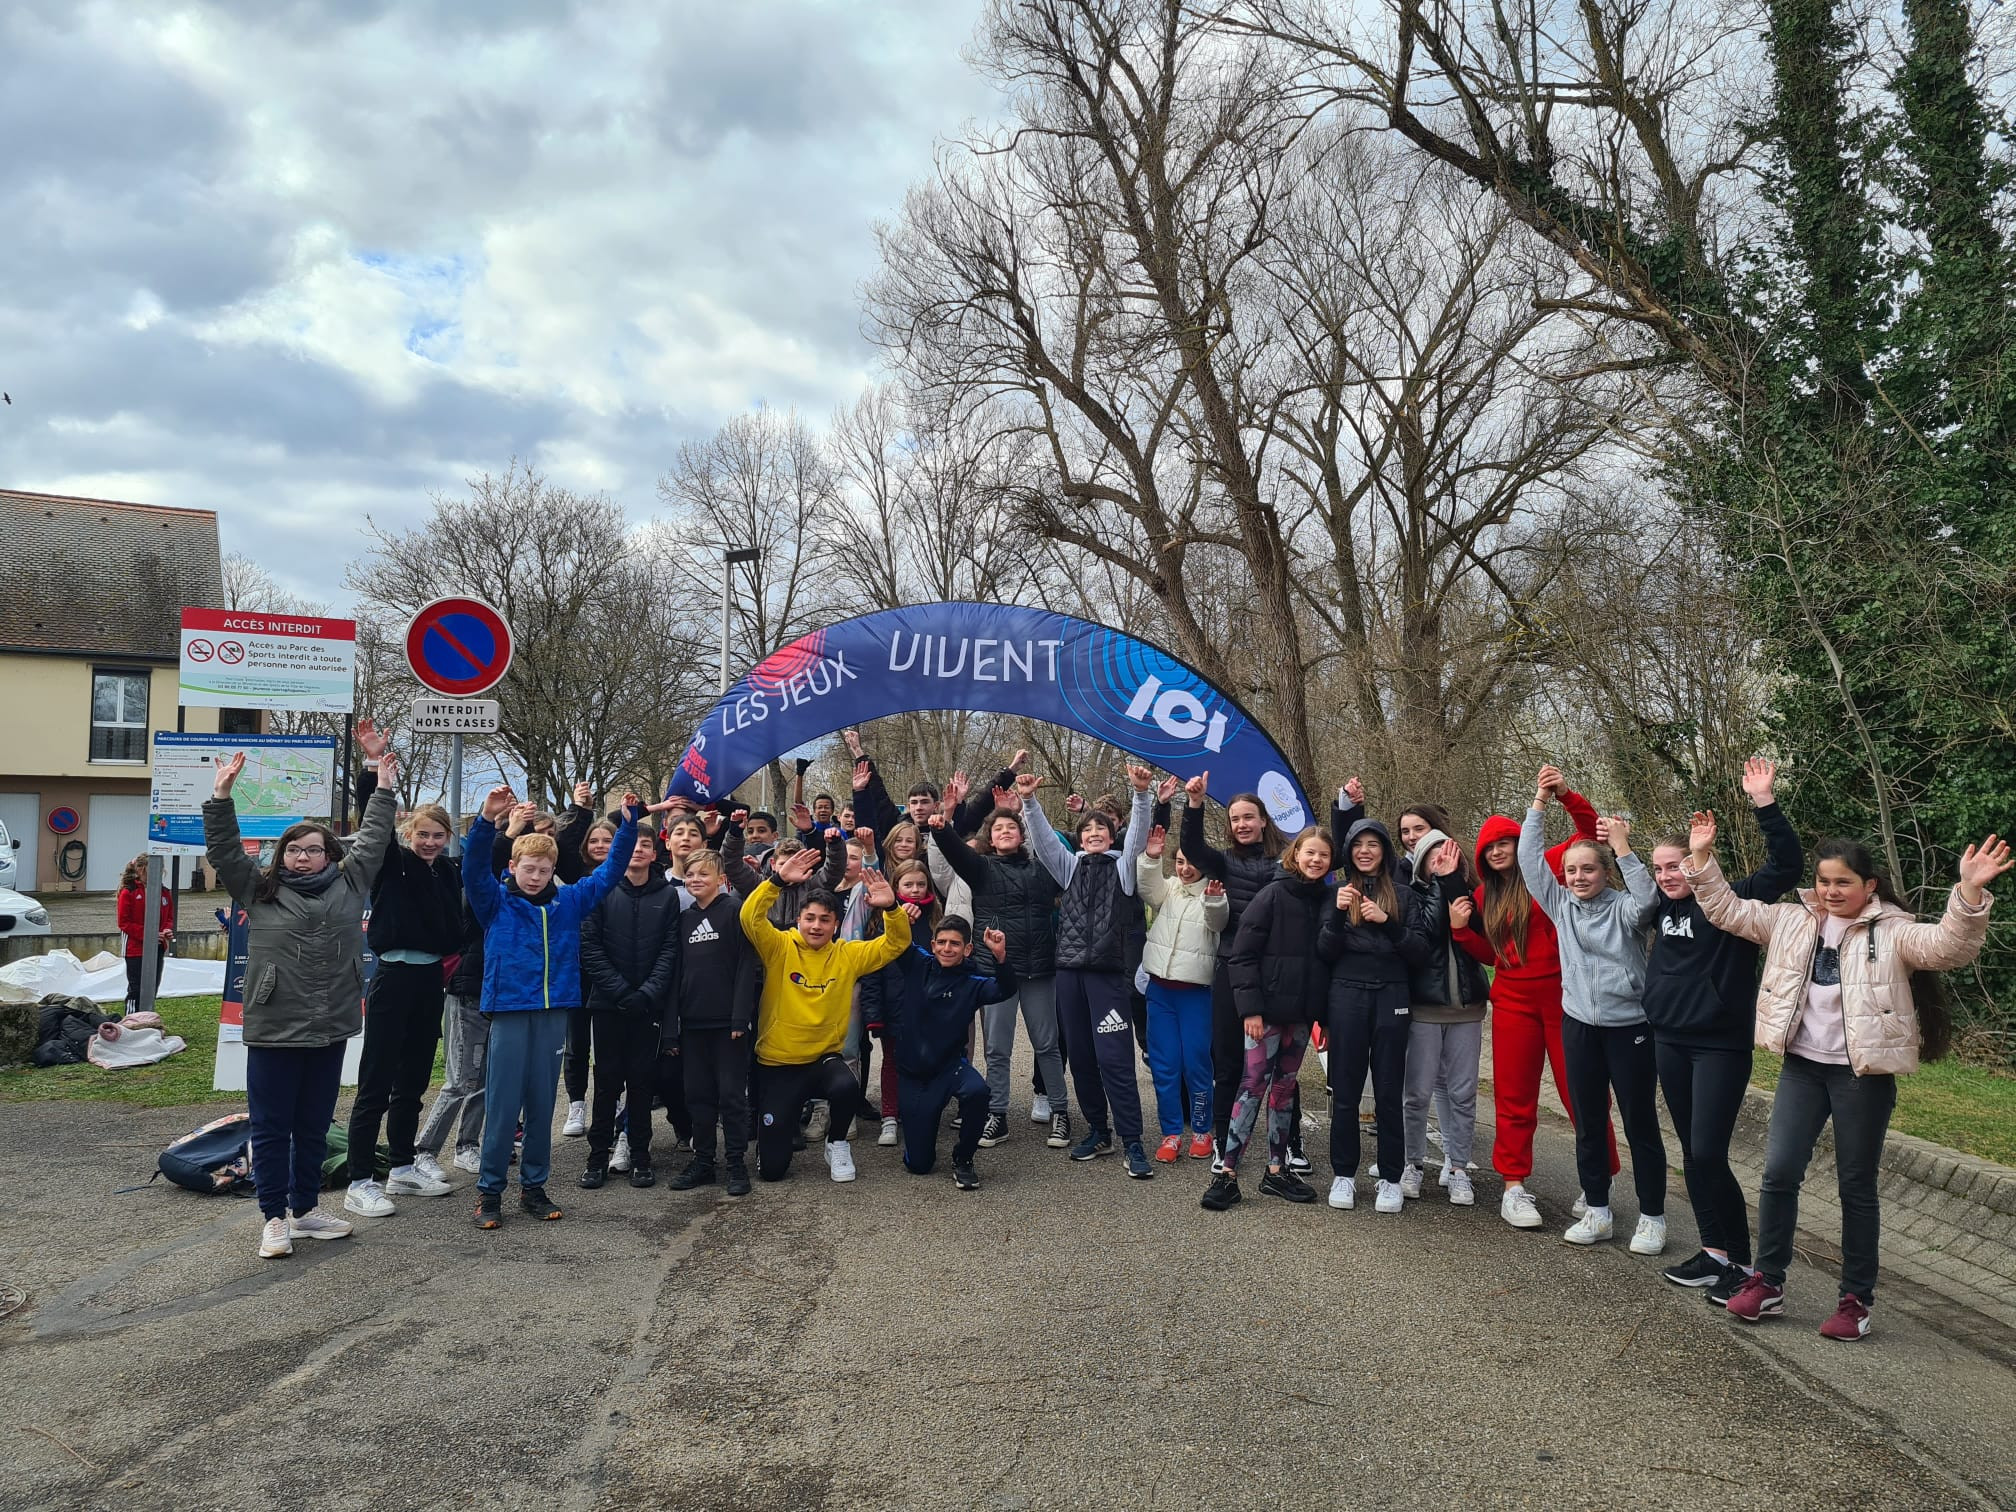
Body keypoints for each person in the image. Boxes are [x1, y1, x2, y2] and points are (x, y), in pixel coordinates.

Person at [1689, 824, 2007, 1340]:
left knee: (1855, 1187)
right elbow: (1726, 909)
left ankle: (1855, 1298)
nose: (1832, 891)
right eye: (1824, 881)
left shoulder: (1893, 931)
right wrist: (1701, 859)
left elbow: (1949, 946)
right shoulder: (1792, 921)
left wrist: (1968, 892)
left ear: (1870, 886)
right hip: (1802, 1068)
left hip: (1862, 1076)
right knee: (1778, 1173)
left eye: (1843, 882)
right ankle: (1767, 1281)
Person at [202, 722, 397, 1259]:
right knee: (271, 1127)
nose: (303, 857)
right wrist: (222, 797)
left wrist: (383, 782)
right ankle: (273, 1218)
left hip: (330, 1023)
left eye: (313, 850)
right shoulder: (258, 891)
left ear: (331, 855)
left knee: (313, 1124)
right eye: (294, 849)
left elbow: (377, 836)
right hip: (274, 1026)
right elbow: (223, 851)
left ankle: (307, 1210)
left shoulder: (351, 884)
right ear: (282, 855)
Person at [1643, 760, 1802, 1301]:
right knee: (1690, 1150)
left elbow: (1787, 866)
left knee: (1709, 1151)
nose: (1668, 875)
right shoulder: (1660, 908)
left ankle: (1741, 1262)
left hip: (1718, 1046)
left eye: (1677, 864)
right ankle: (1712, 1252)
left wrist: (1765, 802)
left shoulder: (1734, 902)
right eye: (1660, 868)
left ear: (1697, 863)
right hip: (1669, 1040)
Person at [463, 785, 639, 1229]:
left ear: (553, 869)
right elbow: (471, 869)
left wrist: (628, 825)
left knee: (543, 1104)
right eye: (528, 869)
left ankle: (534, 1187)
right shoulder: (496, 903)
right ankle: (489, 1192)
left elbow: (611, 871)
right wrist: (487, 821)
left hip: (554, 1010)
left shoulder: (570, 902)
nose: (536, 876)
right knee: (503, 1106)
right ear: (513, 868)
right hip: (509, 1011)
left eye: (544, 869)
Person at [1455, 767, 1619, 1228]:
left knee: (1583, 1096)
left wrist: (1563, 794)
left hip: (1567, 999)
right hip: (1512, 1003)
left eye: (1505, 842)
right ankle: (1513, 1185)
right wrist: (1461, 933)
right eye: (1490, 848)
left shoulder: (1549, 868)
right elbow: (1495, 955)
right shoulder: (1485, 894)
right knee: (1514, 1095)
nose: (1498, 851)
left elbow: (1590, 836)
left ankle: (1597, 1185)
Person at [1518, 775, 1665, 1252]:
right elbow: (1528, 860)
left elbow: (1649, 899)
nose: (1579, 877)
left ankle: (1653, 1217)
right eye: (1572, 871)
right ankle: (1598, 1210)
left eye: (1589, 870)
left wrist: (1622, 848)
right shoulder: (1561, 906)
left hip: (1630, 1030)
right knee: (1588, 1121)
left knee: (1640, 1124)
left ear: (1605, 873)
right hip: (1579, 1027)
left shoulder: (1624, 908)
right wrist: (1540, 802)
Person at [740, 850, 911, 1183]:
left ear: (835, 925)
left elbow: (896, 944)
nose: (816, 926)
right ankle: (773, 1139)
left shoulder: (848, 954)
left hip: (822, 1059)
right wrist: (776, 881)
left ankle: (837, 1144)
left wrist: (891, 908)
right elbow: (750, 918)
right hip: (778, 1064)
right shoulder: (778, 946)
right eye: (810, 918)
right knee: (773, 1171)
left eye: (824, 920)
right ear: (799, 920)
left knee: (846, 1084)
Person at [1025, 766, 1155, 1176]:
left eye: (1101, 829)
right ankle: (1099, 1131)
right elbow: (1046, 843)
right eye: (1087, 830)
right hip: (1069, 974)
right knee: (1080, 1057)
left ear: (1111, 836)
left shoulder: (1124, 868)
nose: (1094, 833)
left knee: (1114, 1059)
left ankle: (1132, 1141)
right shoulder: (1070, 867)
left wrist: (1140, 794)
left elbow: (1137, 836)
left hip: (1107, 976)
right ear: (1079, 839)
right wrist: (1029, 801)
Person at [344, 793, 466, 1218]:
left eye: (437, 835)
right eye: (422, 835)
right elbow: (373, 829)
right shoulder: (392, 864)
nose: (430, 842)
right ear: (408, 834)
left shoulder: (449, 872)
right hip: (393, 978)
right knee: (375, 1083)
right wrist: (376, 778)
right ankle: (360, 1181)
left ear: (448, 838)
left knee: (412, 1083)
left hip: (430, 980)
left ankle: (402, 1166)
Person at [928, 789, 1070, 1150]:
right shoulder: (981, 869)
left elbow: (1056, 851)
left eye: (1011, 827)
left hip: (1039, 969)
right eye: (998, 828)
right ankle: (997, 1114)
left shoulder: (1043, 870)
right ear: (988, 838)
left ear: (1022, 835)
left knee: (1047, 1044)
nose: (1005, 831)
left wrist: (1028, 809)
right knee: (997, 1048)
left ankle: (1060, 1111)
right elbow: (955, 851)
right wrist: (942, 825)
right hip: (996, 969)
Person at [1205, 826, 1334, 1210]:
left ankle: (1277, 1171)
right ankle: (1227, 1173)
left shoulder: (1328, 900)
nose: (1316, 860)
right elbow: (1241, 956)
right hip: (1265, 1016)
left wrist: (1323, 1017)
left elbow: (1327, 964)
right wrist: (1252, 1010)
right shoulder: (1272, 895)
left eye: (1323, 855)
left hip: (1300, 1018)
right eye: (1309, 853)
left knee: (1284, 1091)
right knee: (1252, 1087)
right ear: (1295, 855)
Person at [1320, 818, 1434, 1214]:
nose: (1365, 851)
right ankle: (1344, 1175)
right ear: (1349, 851)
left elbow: (1420, 952)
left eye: (1374, 844)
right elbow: (1324, 952)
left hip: (1392, 995)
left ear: (1384, 851)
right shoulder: (1335, 893)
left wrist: (1388, 923)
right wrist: (1337, 916)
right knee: (1346, 1091)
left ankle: (1390, 1177)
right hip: (1346, 996)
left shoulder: (1403, 895)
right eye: (1358, 844)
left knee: (1388, 1091)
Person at [1177, 775, 1290, 1172]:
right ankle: (1225, 1139)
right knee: (1226, 1062)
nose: (1242, 824)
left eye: (1249, 817)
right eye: (1235, 819)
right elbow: (1190, 847)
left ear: (1263, 821)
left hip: (1276, 972)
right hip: (1230, 968)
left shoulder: (1287, 859)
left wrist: (1348, 809)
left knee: (1280, 1067)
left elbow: (1330, 858)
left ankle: (1289, 1144)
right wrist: (1194, 805)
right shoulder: (1222, 861)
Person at [872, 918, 1018, 1189]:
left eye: (955, 943)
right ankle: (922, 1138)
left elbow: (1005, 990)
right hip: (913, 1074)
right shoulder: (917, 964)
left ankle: (963, 1159)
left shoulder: (972, 982)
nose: (947, 948)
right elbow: (897, 940)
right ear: (933, 945)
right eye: (942, 942)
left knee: (978, 1091)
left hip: (949, 1068)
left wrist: (1001, 958)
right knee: (919, 1165)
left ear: (967, 949)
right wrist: (891, 908)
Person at [579, 822, 682, 1191]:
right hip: (608, 1005)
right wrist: (621, 992)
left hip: (646, 1007)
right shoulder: (599, 889)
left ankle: (641, 1157)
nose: (638, 850)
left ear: (656, 853)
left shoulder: (667, 895)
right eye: (632, 844)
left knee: (641, 1084)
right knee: (606, 1083)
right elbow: (589, 947)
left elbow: (671, 949)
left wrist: (646, 994)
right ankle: (596, 1159)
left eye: (646, 845)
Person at [1400, 826, 1488, 1206]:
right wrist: (1443, 883)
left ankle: (1458, 1168)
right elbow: (1431, 933)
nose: (1442, 861)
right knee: (1417, 1093)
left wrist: (1455, 884)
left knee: (1464, 1093)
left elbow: (1487, 937)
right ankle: (1413, 1164)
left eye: (1448, 854)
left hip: (1468, 1010)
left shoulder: (1475, 896)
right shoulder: (1411, 896)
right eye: (1433, 856)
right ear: (1421, 863)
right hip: (1425, 1009)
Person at [1137, 822, 1228, 1161]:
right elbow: (1148, 887)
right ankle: (1171, 1133)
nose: (1186, 869)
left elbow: (1218, 923)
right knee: (1165, 1065)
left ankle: (1202, 1130)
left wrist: (1216, 902)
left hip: (1195, 995)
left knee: (1196, 1063)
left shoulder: (1215, 892)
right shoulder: (1170, 889)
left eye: (1192, 863)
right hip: (1160, 991)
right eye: (1179, 862)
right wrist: (1150, 857)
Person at [669, 850, 759, 1195]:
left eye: (703, 875)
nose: (695, 880)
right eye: (690, 875)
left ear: (721, 880)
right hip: (692, 1022)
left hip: (728, 1024)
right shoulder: (684, 919)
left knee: (732, 1096)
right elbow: (677, 974)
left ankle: (736, 1163)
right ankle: (703, 1161)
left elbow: (745, 967)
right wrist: (672, 1025)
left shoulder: (735, 912)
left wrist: (740, 1016)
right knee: (698, 1095)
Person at [115, 854, 173, 1014]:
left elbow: (169, 917)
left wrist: (166, 930)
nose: (160, 872)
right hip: (135, 949)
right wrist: (149, 934)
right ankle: (131, 1021)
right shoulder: (129, 892)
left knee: (152, 986)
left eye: (161, 868)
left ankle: (147, 1019)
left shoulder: (164, 892)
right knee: (136, 988)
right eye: (154, 868)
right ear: (141, 869)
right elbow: (124, 923)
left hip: (158, 947)